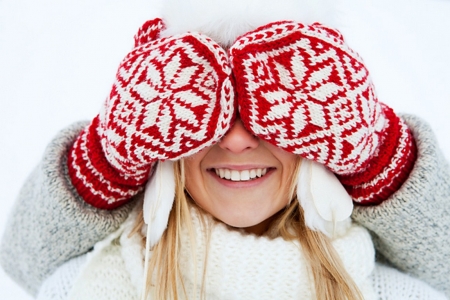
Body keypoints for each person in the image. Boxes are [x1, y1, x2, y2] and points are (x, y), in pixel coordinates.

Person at [1, 0, 449, 299]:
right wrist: (105, 158)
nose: (236, 139)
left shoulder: (393, 294)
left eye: (272, 106)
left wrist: (378, 154)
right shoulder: (80, 288)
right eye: (204, 103)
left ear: (323, 128)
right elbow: (20, 261)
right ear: (159, 127)